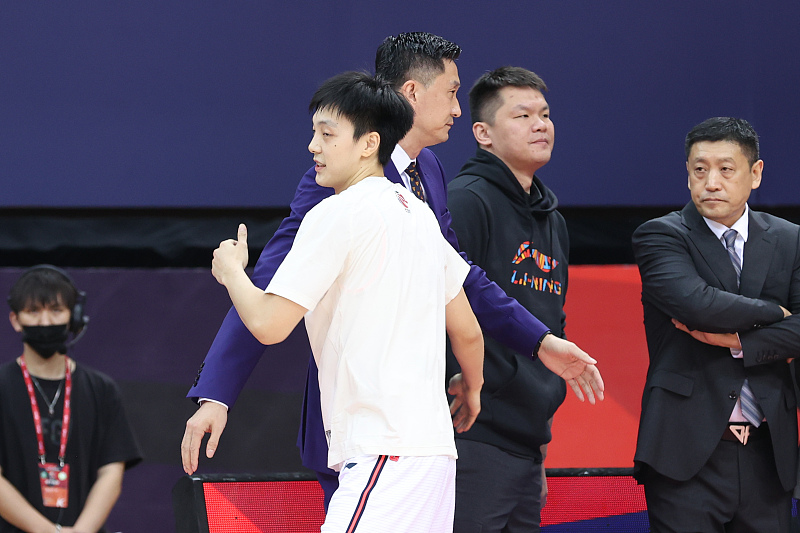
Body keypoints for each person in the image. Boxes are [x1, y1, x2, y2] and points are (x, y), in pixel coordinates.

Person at [182, 32, 603, 508]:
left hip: (411, 429)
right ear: (412, 92)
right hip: (358, 428)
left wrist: (539, 341)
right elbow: (273, 285)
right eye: (451, 92)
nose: (458, 109)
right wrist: (217, 394)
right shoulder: (332, 183)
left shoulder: (430, 172)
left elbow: (461, 279)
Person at [205, 71, 485, 532]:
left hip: (383, 452)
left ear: (369, 143)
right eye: (314, 132)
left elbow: (270, 324)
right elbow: (468, 332)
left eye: (327, 134)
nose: (313, 146)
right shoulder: (420, 216)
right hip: (434, 457)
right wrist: (471, 388)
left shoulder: (335, 213)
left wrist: (233, 272)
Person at [632, 117, 800, 532]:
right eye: (699, 169)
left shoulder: (791, 239)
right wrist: (777, 314)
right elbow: (698, 305)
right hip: (686, 457)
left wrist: (741, 342)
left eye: (726, 169)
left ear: (755, 174)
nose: (711, 183)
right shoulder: (660, 235)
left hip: (768, 455)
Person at [445, 66, 589, 532]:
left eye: (544, 114)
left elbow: (552, 323)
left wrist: (539, 448)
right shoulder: (465, 201)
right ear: (482, 133)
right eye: (522, 115)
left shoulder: (553, 220)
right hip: (473, 435)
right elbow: (444, 306)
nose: (540, 125)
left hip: (527, 445)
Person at [0, 266, 142, 533]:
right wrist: (48, 531)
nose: (45, 322)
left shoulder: (101, 389)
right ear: (15, 319)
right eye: (33, 311)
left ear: (73, 317)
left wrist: (81, 531)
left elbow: (111, 471)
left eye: (56, 310)